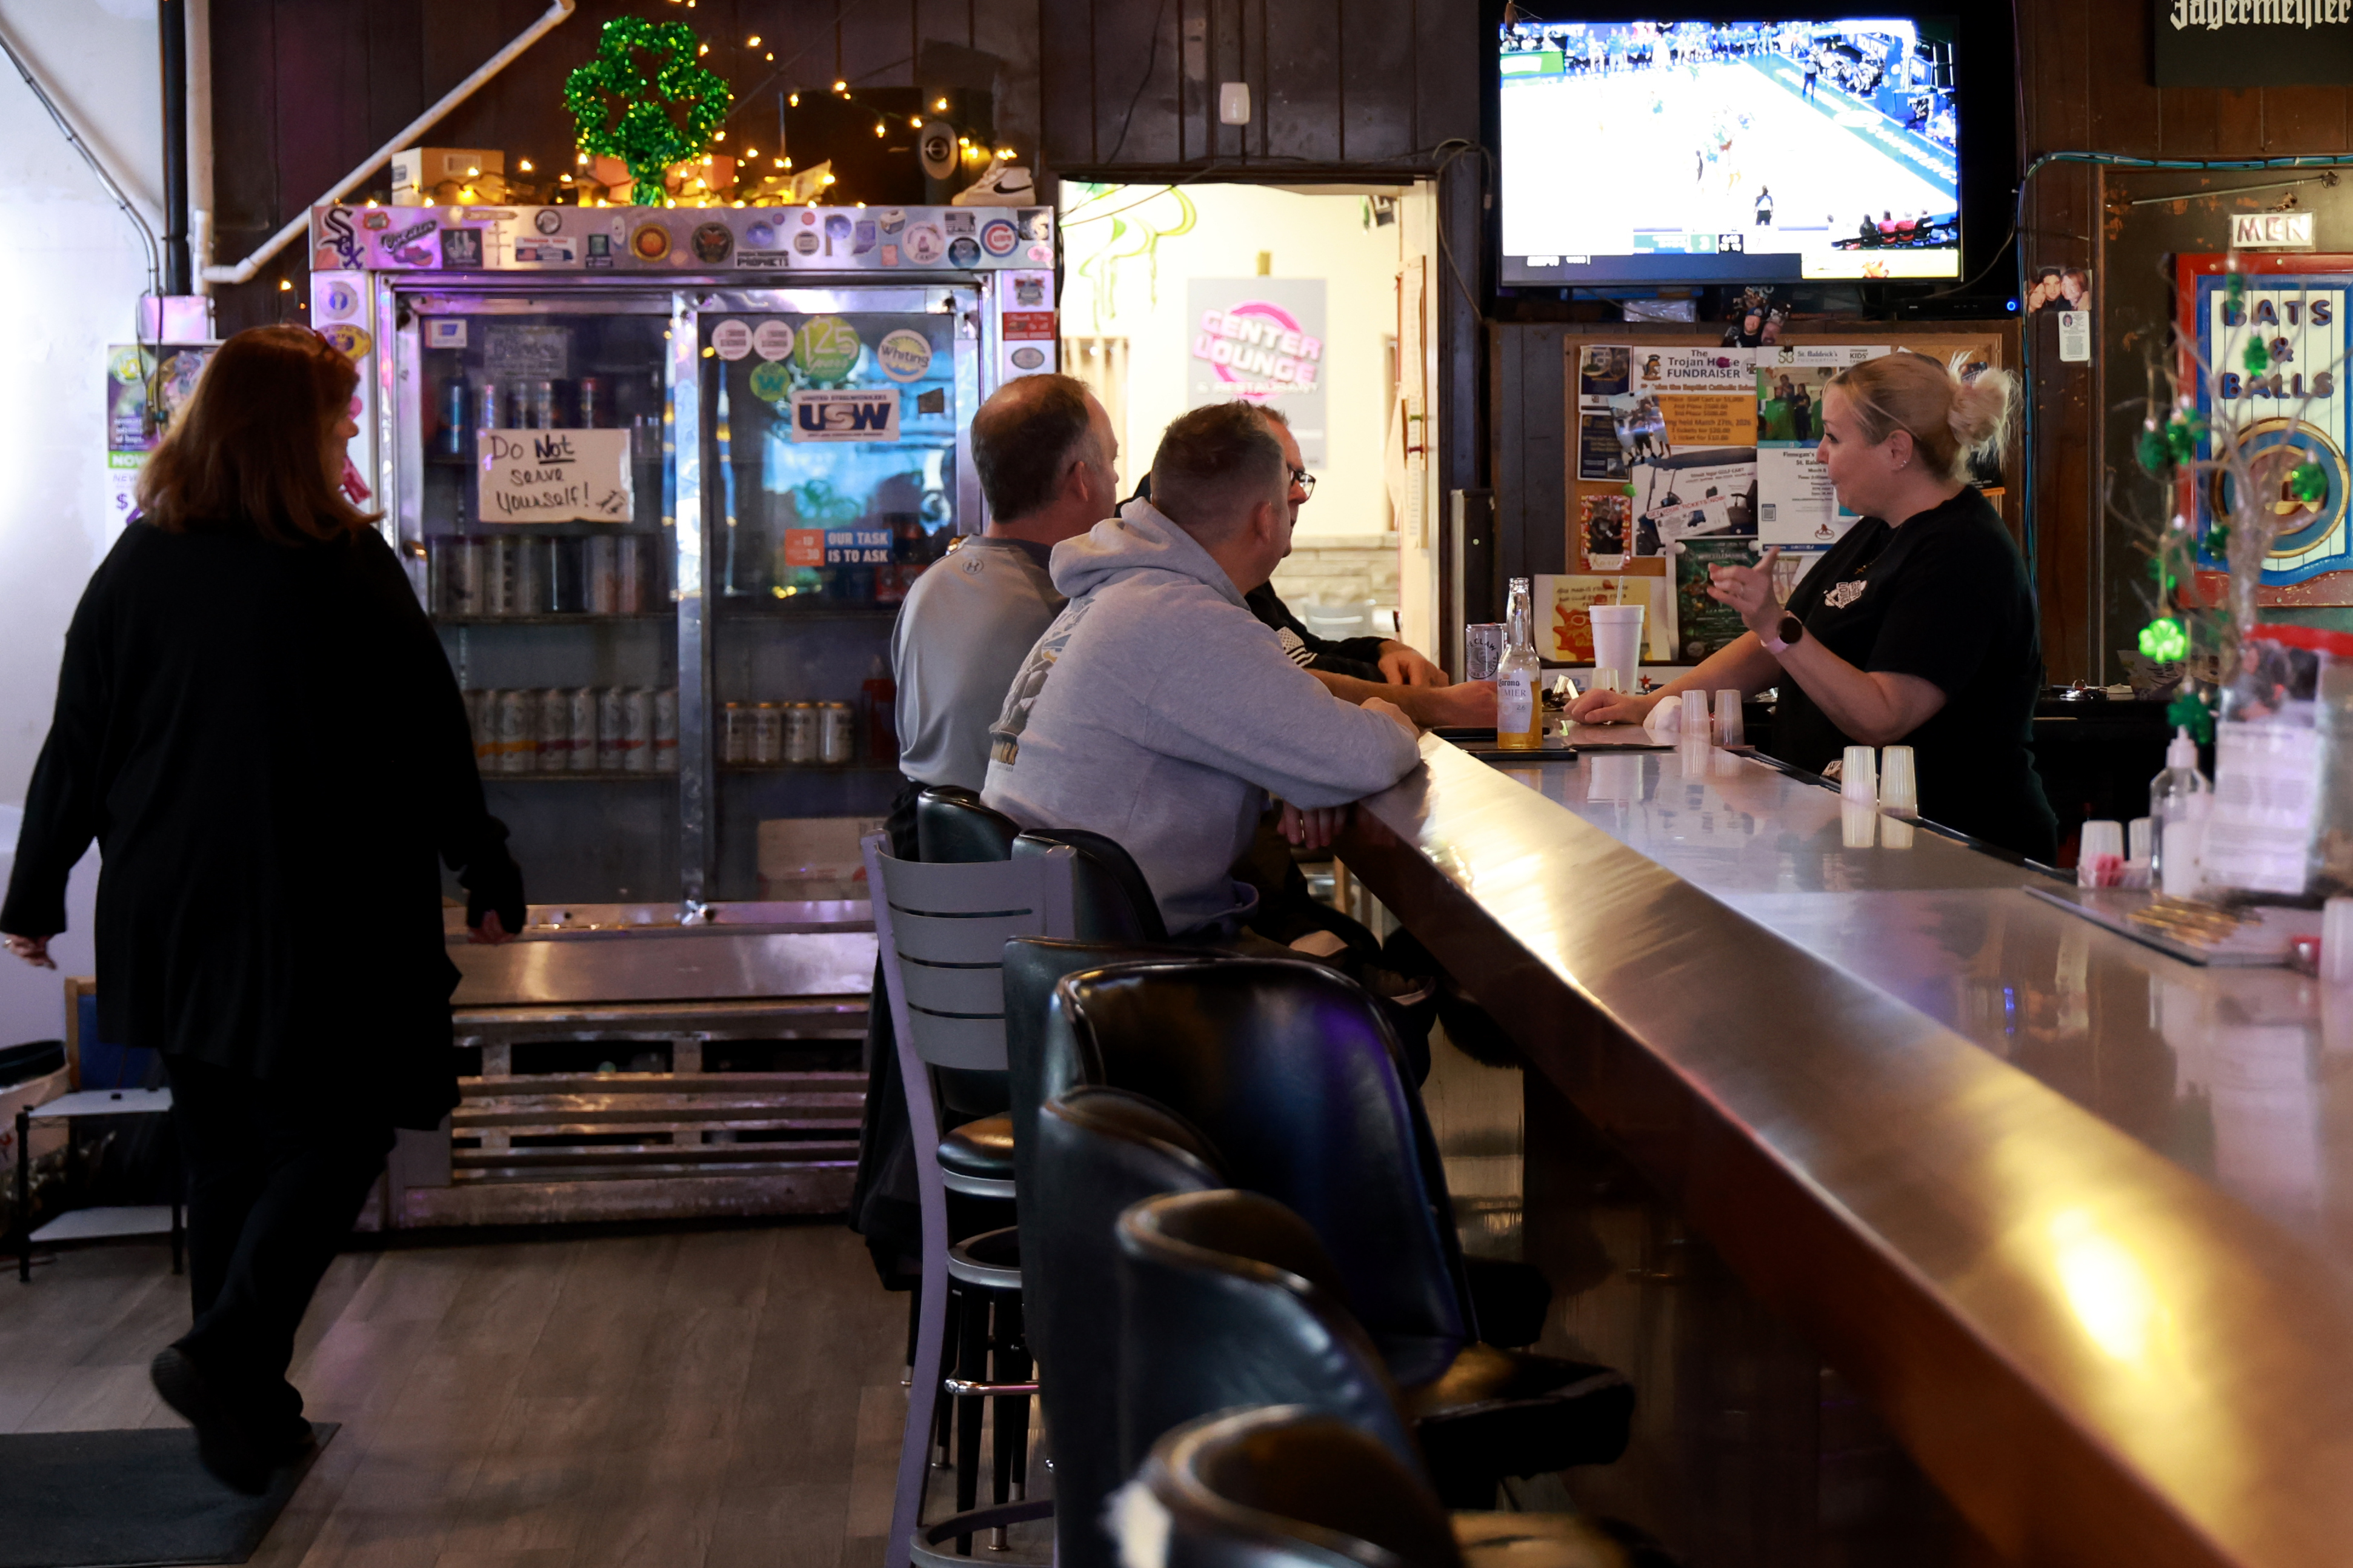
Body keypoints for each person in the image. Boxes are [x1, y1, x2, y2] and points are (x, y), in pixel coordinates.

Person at [0, 326, 525, 1492]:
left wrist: (35, 889)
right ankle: (229, 1350)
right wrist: (480, 857)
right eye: (338, 414)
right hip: (320, 899)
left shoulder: (137, 566)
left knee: (226, 1148)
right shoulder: (344, 561)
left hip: (172, 904)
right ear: (293, 429)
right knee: (341, 1127)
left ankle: (249, 1406)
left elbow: (78, 740)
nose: (349, 430)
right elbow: (427, 729)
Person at [1566, 351, 2056, 861]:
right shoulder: (1877, 529)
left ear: (1896, 450)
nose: (1819, 454)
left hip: (1957, 853)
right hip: (1861, 845)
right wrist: (1650, 705)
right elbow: (1771, 647)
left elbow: (1882, 715)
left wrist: (1774, 625)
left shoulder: (1962, 552)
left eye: (1834, 437)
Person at [982, 402, 1422, 937]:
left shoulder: (1120, 592)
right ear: (1265, 518)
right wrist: (1381, 713)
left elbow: (1315, 750)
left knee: (1352, 955)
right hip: (1124, 965)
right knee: (1381, 983)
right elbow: (1362, 756)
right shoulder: (1181, 617)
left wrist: (1309, 773)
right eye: (1289, 495)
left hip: (1059, 942)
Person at [887, 373, 1117, 827]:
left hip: (922, 852)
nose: (1116, 478)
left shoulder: (930, 584)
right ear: (1082, 480)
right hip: (1009, 871)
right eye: (1111, 461)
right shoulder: (1067, 607)